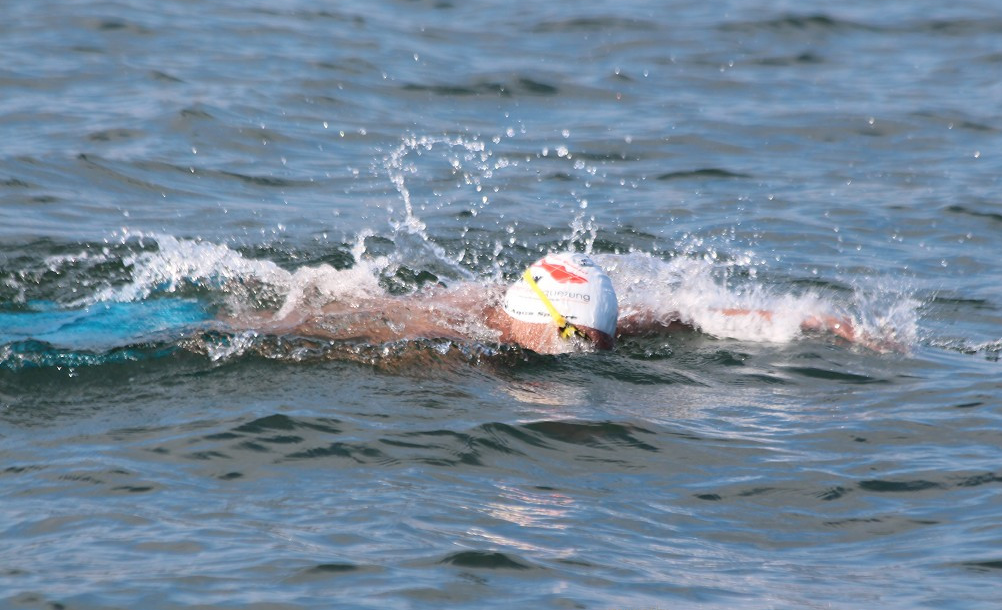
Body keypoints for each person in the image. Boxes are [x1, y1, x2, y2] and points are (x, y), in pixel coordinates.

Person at [244, 253, 890, 354]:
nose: (583, 359)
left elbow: (688, 311)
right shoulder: (439, 334)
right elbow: (295, 335)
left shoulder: (588, 327)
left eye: (596, 346)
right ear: (538, 320)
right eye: (576, 342)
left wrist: (815, 319)